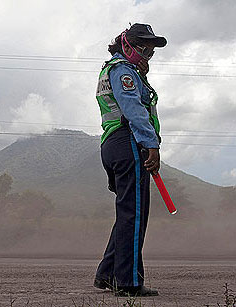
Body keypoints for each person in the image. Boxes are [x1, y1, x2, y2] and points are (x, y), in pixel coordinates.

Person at [94, 23, 167, 297]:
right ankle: (129, 282)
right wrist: (151, 145)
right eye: (142, 47)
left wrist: (143, 76)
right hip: (129, 143)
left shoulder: (111, 69)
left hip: (112, 144)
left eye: (151, 50)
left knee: (127, 213)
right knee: (135, 214)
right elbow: (134, 109)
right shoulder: (123, 71)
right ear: (126, 44)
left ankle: (107, 274)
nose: (147, 53)